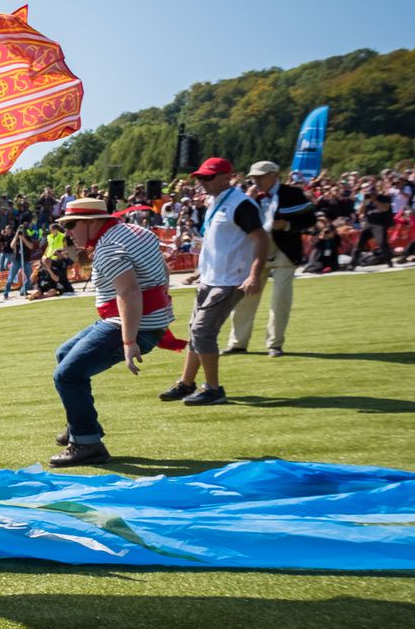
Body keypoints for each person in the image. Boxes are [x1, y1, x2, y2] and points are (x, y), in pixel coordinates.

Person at [48, 198, 178, 466]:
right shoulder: (136, 232)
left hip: (131, 323)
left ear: (93, 222)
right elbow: (163, 272)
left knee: (67, 375)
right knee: (64, 354)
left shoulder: (109, 248)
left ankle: (87, 443)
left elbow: (128, 292)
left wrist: (129, 341)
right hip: (143, 320)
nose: (67, 233)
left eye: (71, 225)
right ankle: (80, 425)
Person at [159, 158, 268, 407]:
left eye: (207, 177)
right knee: (196, 331)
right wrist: (199, 272)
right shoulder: (215, 202)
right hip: (211, 278)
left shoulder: (241, 204)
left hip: (230, 280)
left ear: (227, 177)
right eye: (200, 177)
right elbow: (218, 243)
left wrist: (254, 274)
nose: (201, 182)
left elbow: (261, 239)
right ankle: (187, 383)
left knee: (202, 331)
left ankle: (213, 388)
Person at [227, 161, 314, 357]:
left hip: (285, 251)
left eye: (260, 176)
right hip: (255, 252)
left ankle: (274, 344)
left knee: (280, 300)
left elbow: (310, 219)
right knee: (246, 298)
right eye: (253, 177)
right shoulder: (246, 196)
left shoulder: (293, 194)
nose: (255, 180)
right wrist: (247, 201)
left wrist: (286, 226)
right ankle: (237, 343)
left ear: (274, 175)